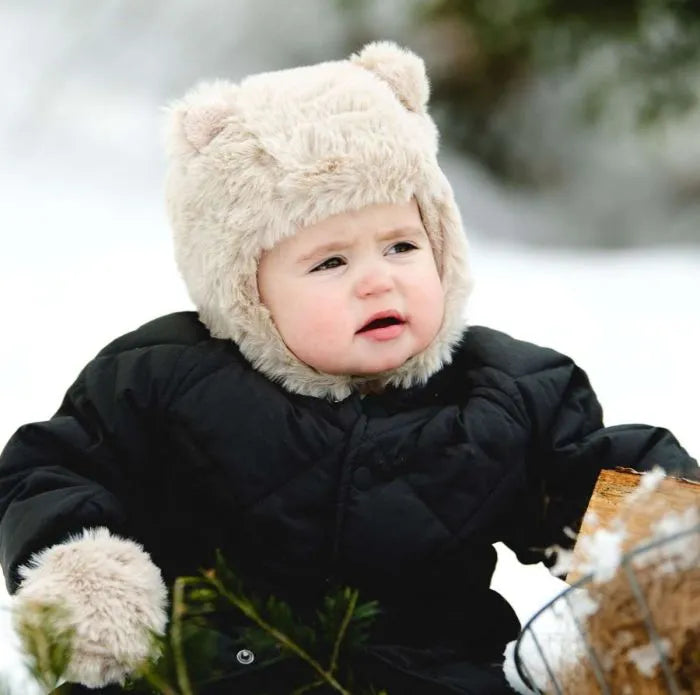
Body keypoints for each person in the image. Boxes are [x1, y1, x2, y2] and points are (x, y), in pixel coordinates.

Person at [0, 42, 696, 695]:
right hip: (226, 674)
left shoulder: (504, 392)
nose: (378, 282)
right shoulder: (163, 379)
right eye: (331, 261)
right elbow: (51, 469)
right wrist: (85, 570)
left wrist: (674, 555)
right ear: (246, 289)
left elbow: (605, 477)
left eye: (400, 245)